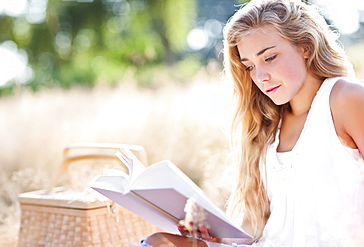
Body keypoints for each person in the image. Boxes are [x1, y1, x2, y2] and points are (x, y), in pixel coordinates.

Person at [140, 0, 364, 246]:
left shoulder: (346, 98)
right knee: (158, 241)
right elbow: (256, 224)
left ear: (305, 47)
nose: (260, 76)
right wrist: (214, 234)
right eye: (249, 66)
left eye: (269, 57)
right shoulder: (267, 125)